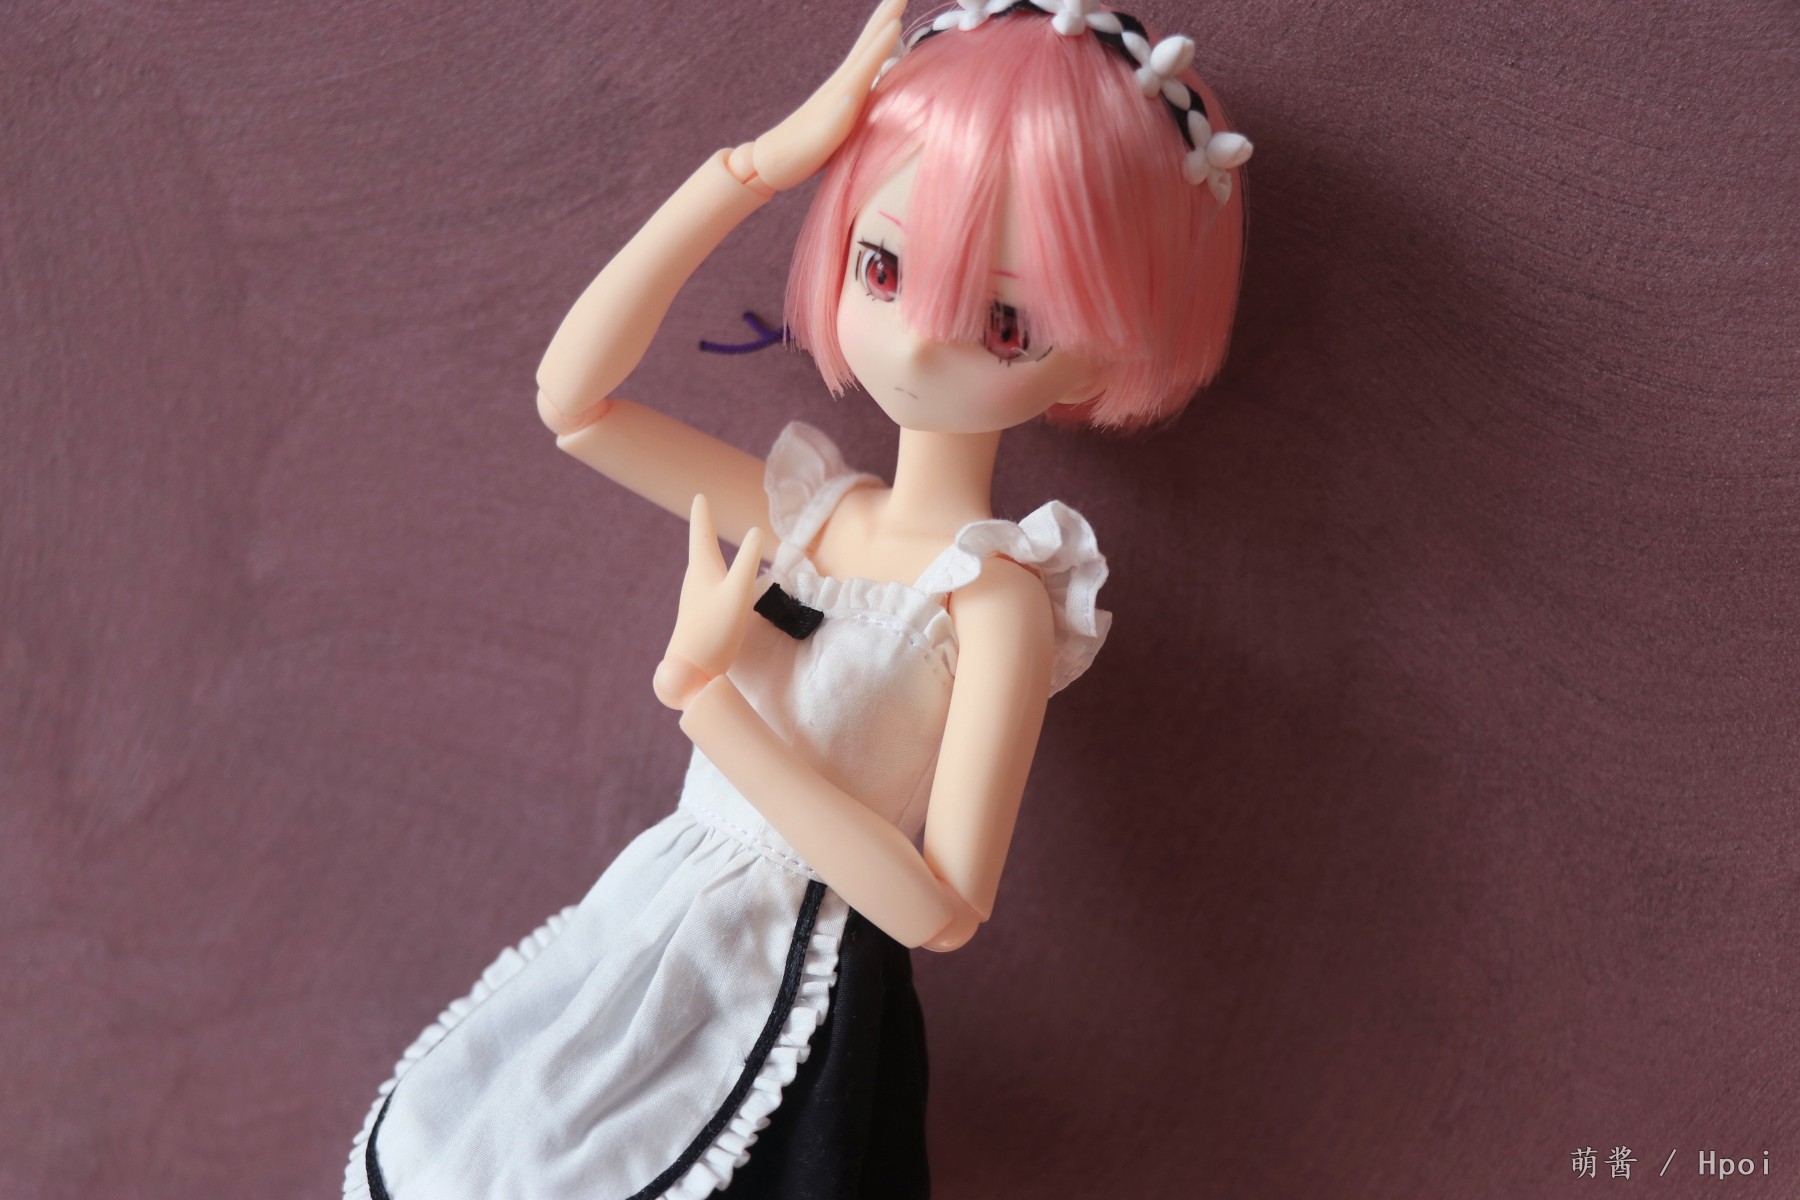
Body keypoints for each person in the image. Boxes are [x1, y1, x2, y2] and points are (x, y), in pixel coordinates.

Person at [344, 2, 1249, 1196]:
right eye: (885, 267)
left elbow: (941, 909)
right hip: (646, 933)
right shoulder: (814, 514)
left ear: (1108, 344)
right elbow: (574, 404)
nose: (917, 345)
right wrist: (762, 166)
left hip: (804, 1002)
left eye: (1006, 323)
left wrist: (709, 704)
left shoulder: (994, 604)